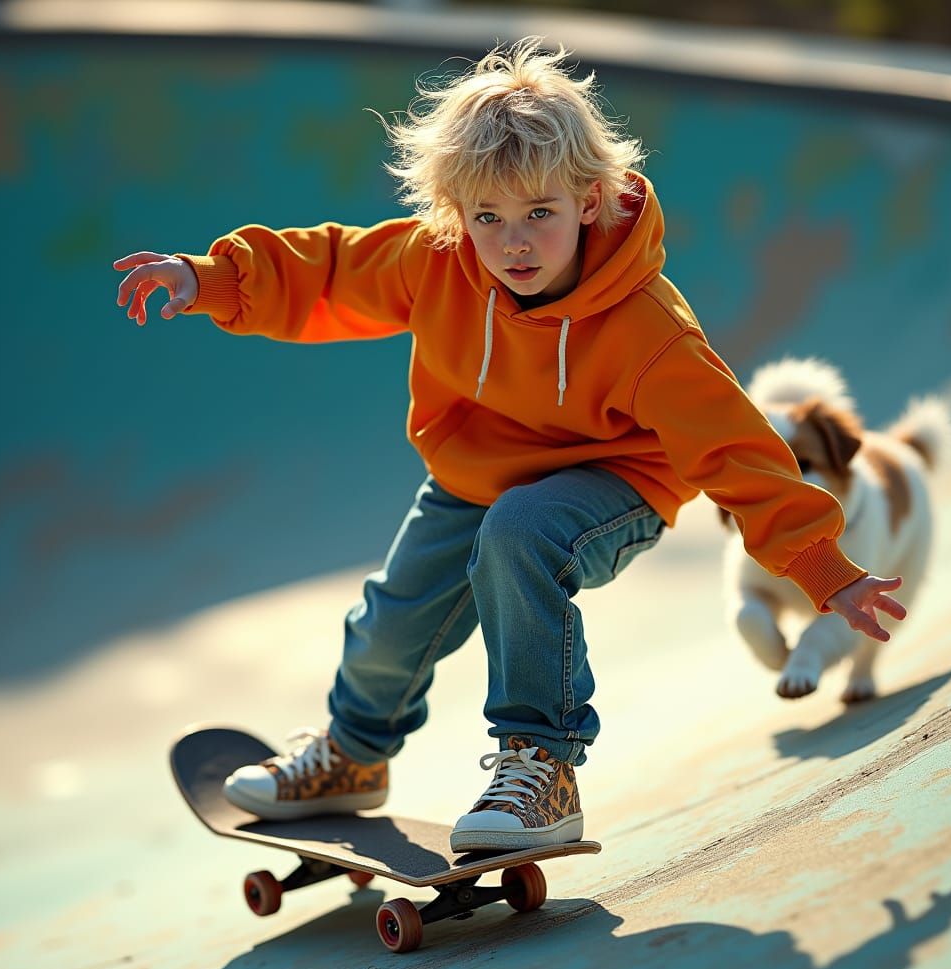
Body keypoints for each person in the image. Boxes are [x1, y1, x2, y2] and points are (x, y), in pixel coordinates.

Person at [113, 38, 906, 853]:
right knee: (393, 619)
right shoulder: (437, 261)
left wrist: (819, 565)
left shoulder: (647, 329)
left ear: (590, 202)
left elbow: (734, 445)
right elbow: (334, 269)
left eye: (539, 215)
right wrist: (207, 279)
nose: (513, 243)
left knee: (522, 531)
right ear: (458, 214)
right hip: (477, 474)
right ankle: (351, 756)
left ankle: (542, 766)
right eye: (488, 218)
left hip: (615, 481)